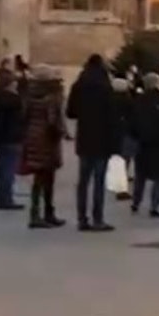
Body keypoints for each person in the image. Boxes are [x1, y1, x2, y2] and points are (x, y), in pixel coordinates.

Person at [66, 54, 118, 231]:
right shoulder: (105, 86)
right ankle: (98, 218)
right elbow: (112, 115)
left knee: (83, 181)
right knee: (98, 181)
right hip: (102, 138)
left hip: (85, 137)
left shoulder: (79, 85)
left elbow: (70, 112)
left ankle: (82, 218)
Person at [21, 66, 68, 230]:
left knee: (38, 179)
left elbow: (24, 116)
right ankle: (47, 212)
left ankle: (35, 213)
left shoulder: (30, 95)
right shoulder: (52, 97)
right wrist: (61, 132)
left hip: (33, 137)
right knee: (48, 178)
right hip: (47, 139)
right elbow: (53, 120)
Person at [130, 73, 159, 217]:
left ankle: (136, 202)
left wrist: (137, 135)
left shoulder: (138, 100)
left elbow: (133, 121)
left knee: (140, 175)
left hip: (143, 143)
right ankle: (154, 206)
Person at [0, 69, 26, 212]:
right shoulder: (14, 100)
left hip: (2, 136)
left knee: (3, 168)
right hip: (13, 137)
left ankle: (2, 197)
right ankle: (6, 198)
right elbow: (21, 118)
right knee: (9, 169)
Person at [111, 76, 137, 201]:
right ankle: (121, 188)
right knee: (125, 158)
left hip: (114, 132)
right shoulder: (127, 100)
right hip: (126, 132)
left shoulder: (109, 100)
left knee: (118, 159)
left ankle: (119, 180)